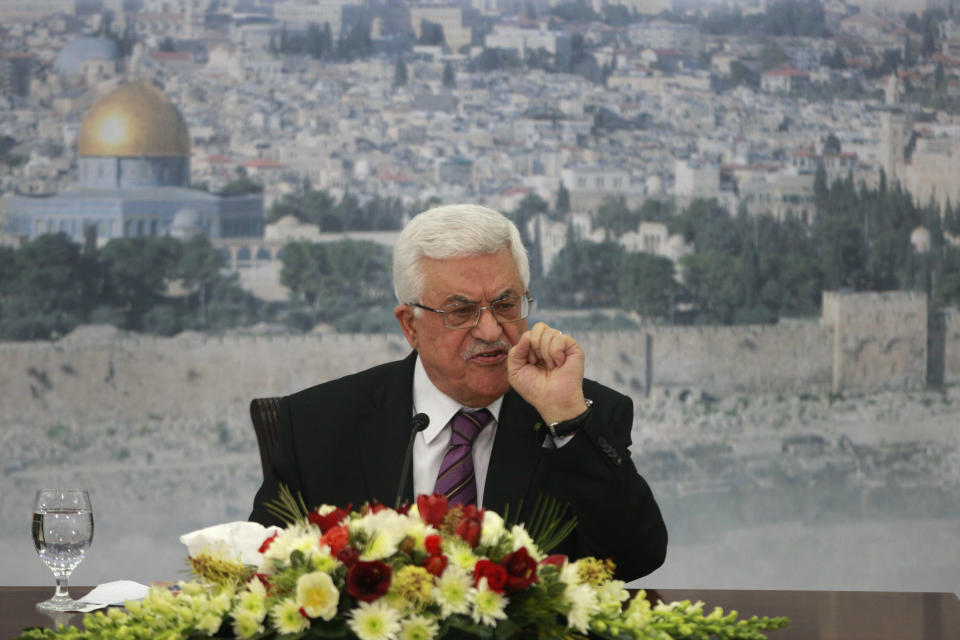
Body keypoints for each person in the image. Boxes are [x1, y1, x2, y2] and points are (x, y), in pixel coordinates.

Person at [250, 204, 667, 579]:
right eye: (461, 311)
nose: (490, 331)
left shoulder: (579, 413)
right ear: (410, 325)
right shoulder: (316, 426)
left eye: (506, 305)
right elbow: (264, 573)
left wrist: (568, 420)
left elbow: (634, 558)